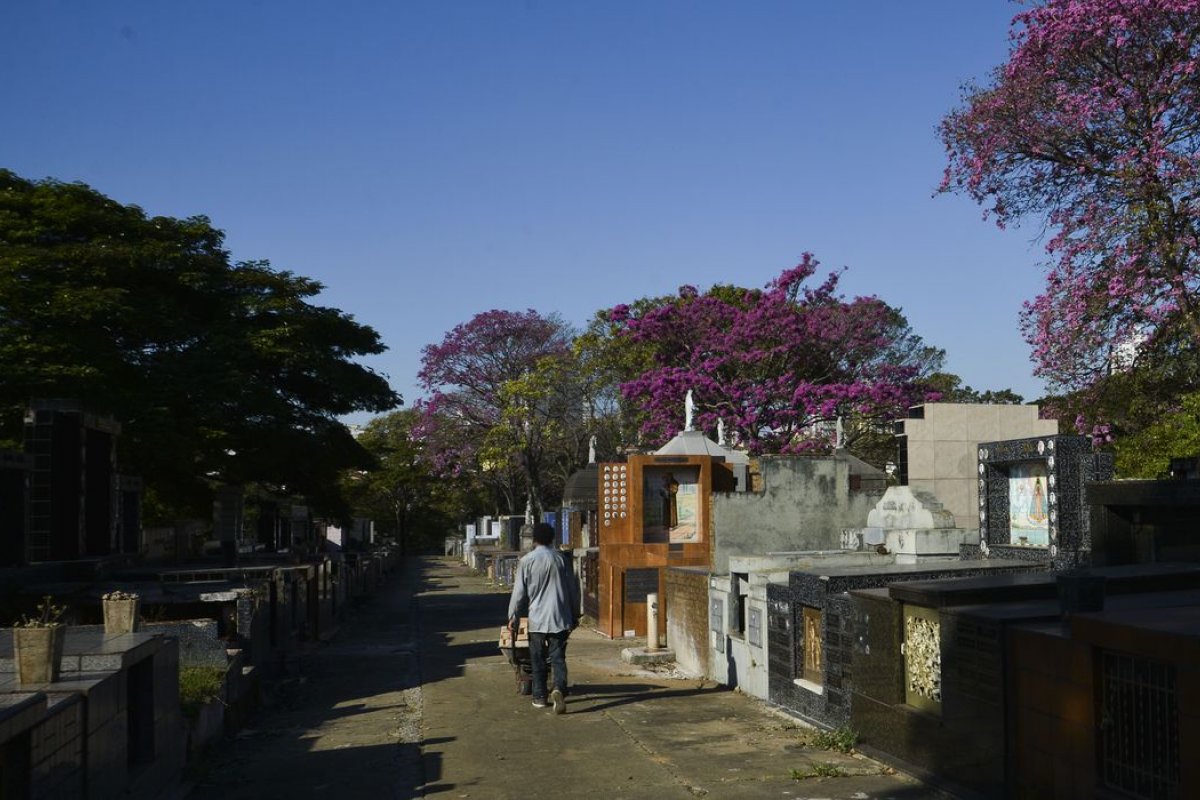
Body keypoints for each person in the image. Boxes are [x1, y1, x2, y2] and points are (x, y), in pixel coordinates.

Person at [508, 522, 579, 714]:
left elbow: (519, 593)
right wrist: (574, 614)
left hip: (537, 619)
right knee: (558, 658)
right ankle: (559, 688)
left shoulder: (527, 561)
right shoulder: (561, 559)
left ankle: (539, 697)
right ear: (551, 539)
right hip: (560, 617)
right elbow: (572, 590)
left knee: (537, 659)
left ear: (534, 540)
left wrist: (513, 616)